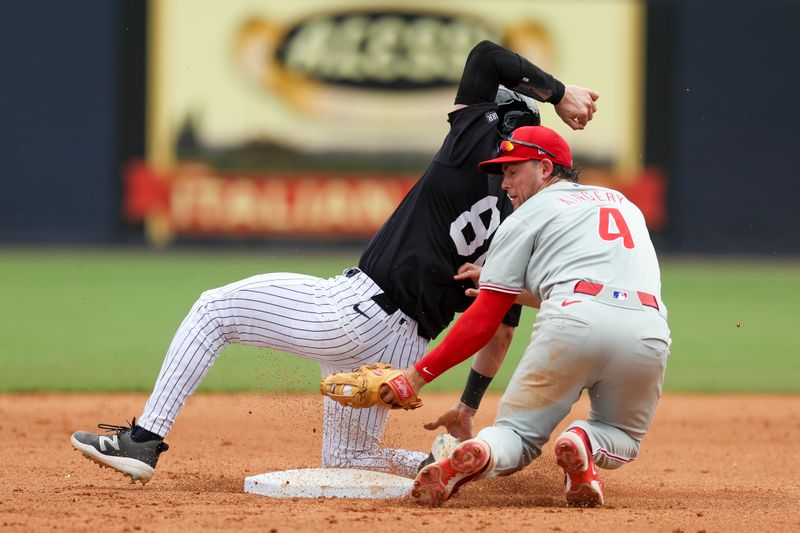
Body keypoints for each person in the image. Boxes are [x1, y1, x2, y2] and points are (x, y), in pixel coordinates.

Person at [70, 41, 600, 483]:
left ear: (499, 130)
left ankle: (143, 441)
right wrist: (466, 405)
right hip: (405, 345)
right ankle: (446, 463)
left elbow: (486, 56)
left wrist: (557, 93)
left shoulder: (471, 144)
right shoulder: (523, 228)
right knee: (349, 460)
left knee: (213, 311)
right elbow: (500, 332)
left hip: (357, 311)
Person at [368, 125, 670, 506]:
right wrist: (503, 284)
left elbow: (485, 320)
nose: (505, 184)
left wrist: (416, 376)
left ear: (545, 168)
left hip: (571, 324)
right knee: (621, 435)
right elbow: (596, 289)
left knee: (517, 435)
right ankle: (585, 442)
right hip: (646, 330)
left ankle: (482, 452)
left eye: (513, 171)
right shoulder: (623, 202)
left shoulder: (524, 217)